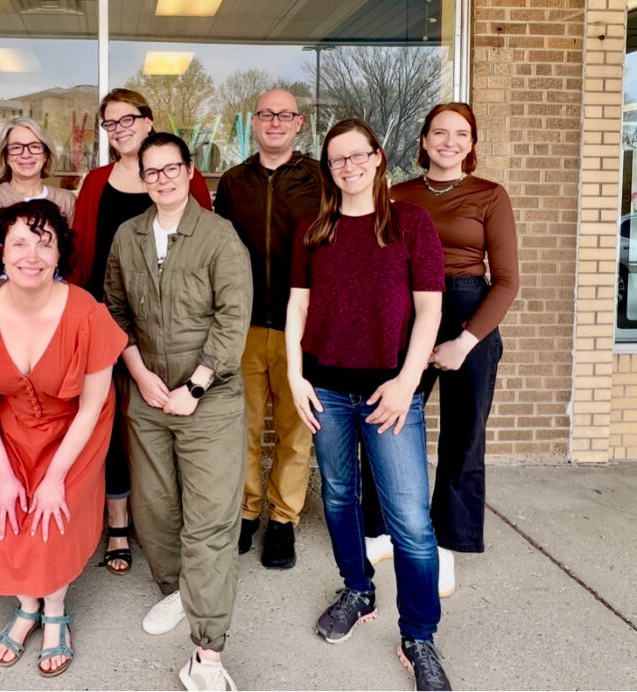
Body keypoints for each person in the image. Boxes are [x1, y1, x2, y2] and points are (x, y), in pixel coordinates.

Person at [285, 118, 451, 690]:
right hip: (326, 389)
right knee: (338, 495)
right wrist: (294, 375)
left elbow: (430, 310)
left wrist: (408, 382)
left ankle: (419, 636)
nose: (349, 166)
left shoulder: (411, 222)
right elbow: (298, 307)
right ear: (328, 169)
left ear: (378, 157)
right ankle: (357, 590)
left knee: (411, 521)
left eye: (358, 155)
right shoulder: (314, 228)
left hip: (390, 391)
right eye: (338, 159)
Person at [0, 199, 126, 678]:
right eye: (20, 244)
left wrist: (54, 478)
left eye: (45, 244)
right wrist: (5, 475)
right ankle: (27, 607)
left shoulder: (87, 314)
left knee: (51, 519)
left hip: (76, 429)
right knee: (12, 516)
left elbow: (92, 405)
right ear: (1, 252)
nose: (32, 255)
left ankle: (55, 614)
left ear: (59, 253)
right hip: (12, 429)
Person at [104, 132, 252, 691]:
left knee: (210, 521)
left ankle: (207, 655)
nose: (162, 179)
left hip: (208, 399)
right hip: (148, 398)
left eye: (172, 168)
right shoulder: (129, 235)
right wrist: (140, 375)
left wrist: (195, 384)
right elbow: (114, 309)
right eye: (152, 171)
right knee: (155, 510)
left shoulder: (218, 235)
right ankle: (176, 590)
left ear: (190, 171)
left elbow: (232, 318)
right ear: (141, 178)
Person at [361, 102, 519, 598]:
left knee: (463, 434)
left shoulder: (490, 195)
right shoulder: (396, 195)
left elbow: (508, 281)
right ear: (424, 141)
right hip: (407, 313)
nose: (450, 142)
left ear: (471, 144)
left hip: (470, 313)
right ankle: (380, 529)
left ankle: (446, 541)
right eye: (440, 133)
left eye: (461, 134)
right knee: (385, 416)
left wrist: (465, 341)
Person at [69, 87, 213, 575]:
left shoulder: (182, 178)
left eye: (127, 118)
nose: (120, 129)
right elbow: (81, 255)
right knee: (111, 426)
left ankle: (166, 524)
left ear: (149, 121)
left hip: (171, 326)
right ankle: (117, 524)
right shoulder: (96, 183)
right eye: (110, 123)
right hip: (106, 321)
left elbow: (203, 247)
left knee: (165, 421)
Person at [214, 88, 321, 569]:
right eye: (266, 114)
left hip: (302, 326)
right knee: (244, 427)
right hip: (245, 324)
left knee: (297, 431)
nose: (275, 122)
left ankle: (282, 519)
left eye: (285, 115)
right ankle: (246, 511)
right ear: (253, 123)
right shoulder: (233, 183)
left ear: (299, 123)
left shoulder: (320, 179)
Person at [0, 117, 76, 284]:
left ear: (46, 155)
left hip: (56, 296)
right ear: (5, 156)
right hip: (1, 295)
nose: (26, 154)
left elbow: (72, 264)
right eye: (16, 148)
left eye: (35, 147)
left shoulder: (66, 201)